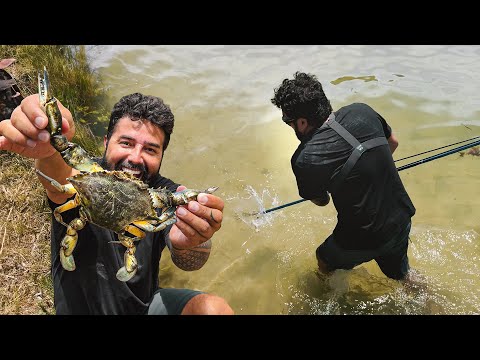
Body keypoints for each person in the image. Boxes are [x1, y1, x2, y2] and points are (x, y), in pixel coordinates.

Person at [0, 92, 234, 315]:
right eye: (126, 143)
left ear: (162, 155)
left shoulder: (162, 195)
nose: (135, 157)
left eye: (151, 149)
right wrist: (47, 144)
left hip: (143, 307)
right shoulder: (88, 175)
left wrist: (189, 243)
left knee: (214, 309)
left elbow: (191, 260)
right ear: (106, 142)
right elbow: (58, 177)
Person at [271, 71, 416, 280]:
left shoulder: (304, 158)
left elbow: (321, 201)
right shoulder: (362, 110)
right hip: (401, 218)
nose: (290, 125)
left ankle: (333, 299)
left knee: (323, 258)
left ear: (302, 122)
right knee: (403, 276)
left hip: (362, 238)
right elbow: (393, 142)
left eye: (288, 121)